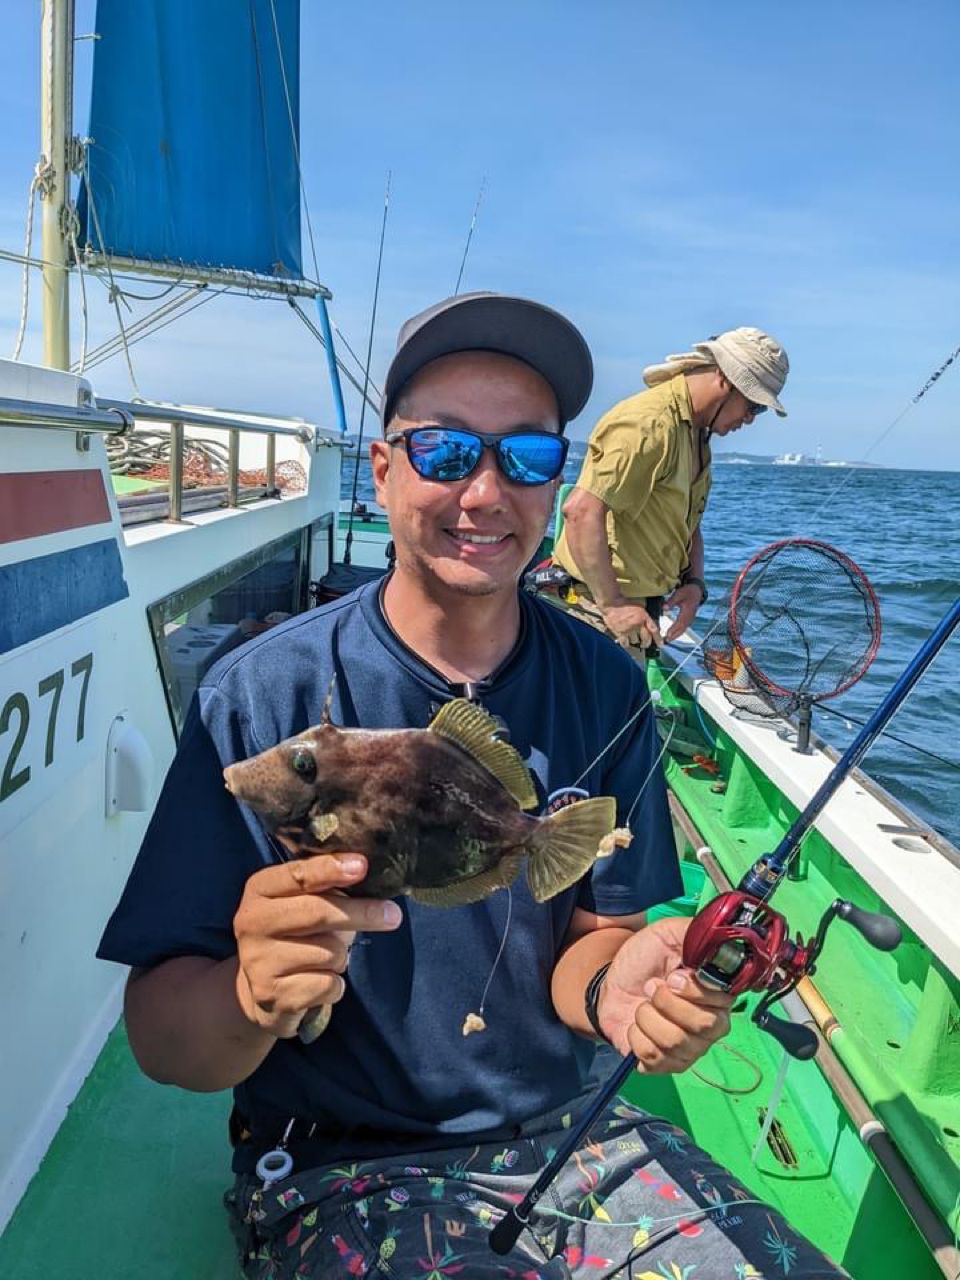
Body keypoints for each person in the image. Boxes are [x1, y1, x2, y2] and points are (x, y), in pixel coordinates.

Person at [99, 293, 842, 1278]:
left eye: (526, 456)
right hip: (340, 1159)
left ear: (555, 479)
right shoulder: (262, 691)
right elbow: (165, 1042)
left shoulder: (607, 682)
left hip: (578, 1135)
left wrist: (620, 992)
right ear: (380, 464)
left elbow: (592, 945)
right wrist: (248, 991)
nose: (487, 492)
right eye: (447, 450)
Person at [552, 327, 789, 652]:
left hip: (635, 611)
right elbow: (581, 511)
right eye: (754, 406)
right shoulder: (648, 425)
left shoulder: (696, 435)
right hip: (592, 612)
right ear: (724, 379)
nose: (750, 419)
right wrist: (614, 605)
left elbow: (686, 521)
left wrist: (695, 583)